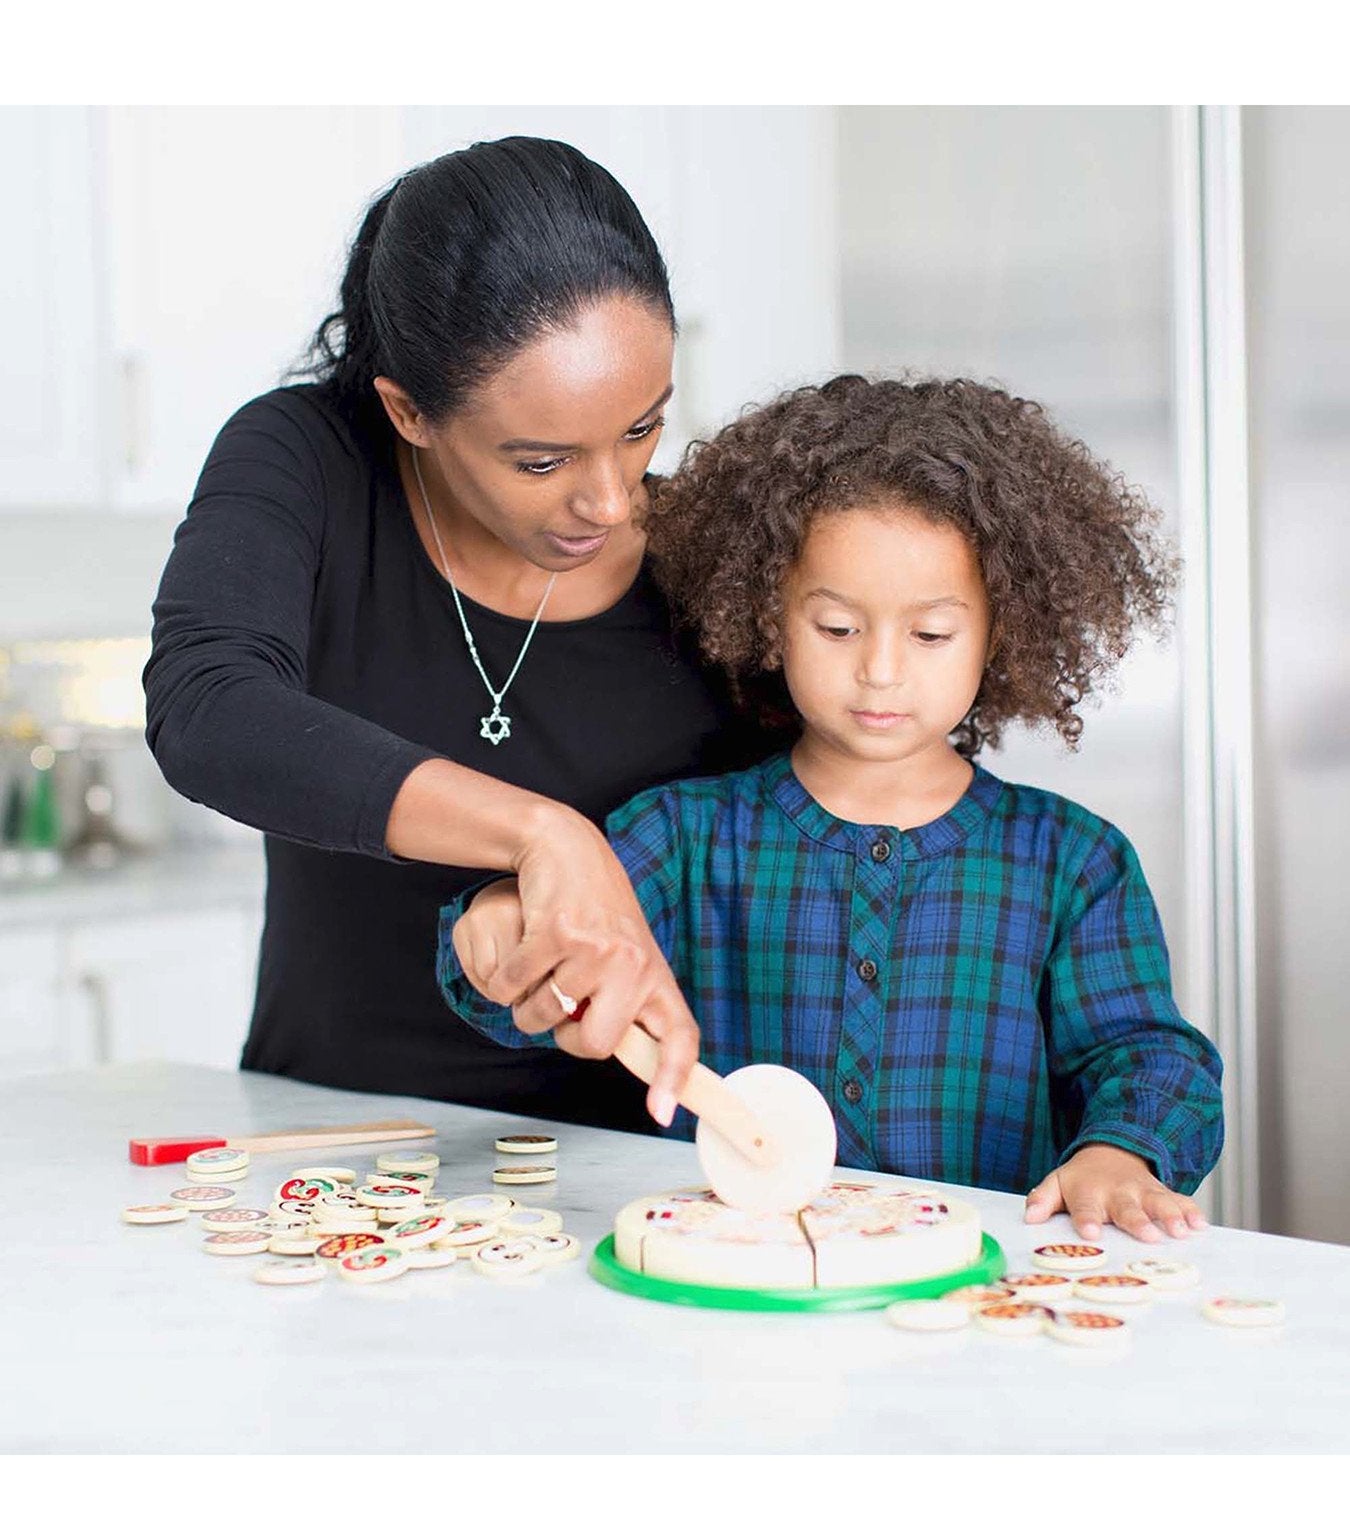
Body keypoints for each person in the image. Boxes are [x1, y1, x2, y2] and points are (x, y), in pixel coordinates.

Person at [441, 373, 1224, 1243]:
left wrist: (1120, 1151)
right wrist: (503, 922)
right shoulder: (686, 835)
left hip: (978, 1298)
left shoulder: (1074, 861)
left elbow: (1146, 1054)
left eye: (930, 634)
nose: (881, 671)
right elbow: (555, 959)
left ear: (999, 633)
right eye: (839, 629)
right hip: (736, 1281)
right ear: (770, 618)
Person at [143, 136, 780, 1130]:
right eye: (541, 461)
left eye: (642, 428)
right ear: (410, 411)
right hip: (327, 1149)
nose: (610, 501)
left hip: (624, 1177)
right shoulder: (309, 461)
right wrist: (541, 835)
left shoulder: (713, 554)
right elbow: (209, 712)